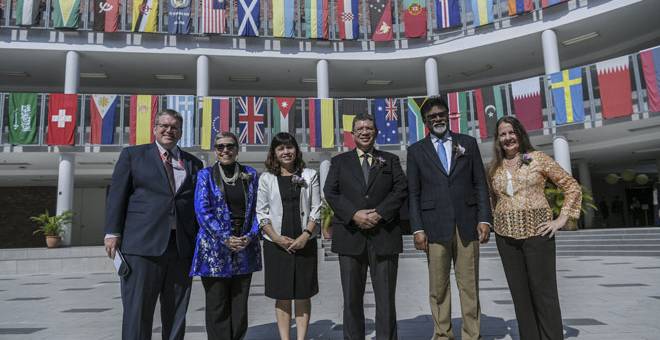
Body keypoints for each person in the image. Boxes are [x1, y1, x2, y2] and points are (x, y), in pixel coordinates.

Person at [104, 109, 203, 340]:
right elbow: (117, 195)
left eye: (174, 127)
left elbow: (197, 205)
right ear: (154, 128)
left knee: (177, 311)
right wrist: (112, 232)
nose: (169, 130)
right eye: (164, 125)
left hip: (180, 248)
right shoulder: (133, 155)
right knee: (137, 310)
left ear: (181, 131)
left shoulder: (193, 163)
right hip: (141, 247)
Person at [487, 116, 581, 340]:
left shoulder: (537, 159)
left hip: (538, 234)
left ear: (520, 134)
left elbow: (571, 186)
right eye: (503, 134)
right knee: (520, 296)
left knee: (544, 293)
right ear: (497, 139)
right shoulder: (494, 168)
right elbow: (493, 199)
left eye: (512, 132)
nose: (508, 138)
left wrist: (561, 220)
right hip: (505, 237)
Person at [406, 96, 492, 340]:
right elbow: (413, 193)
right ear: (425, 121)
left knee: (469, 285)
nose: (437, 119)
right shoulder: (415, 151)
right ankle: (443, 334)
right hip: (434, 227)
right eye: (432, 116)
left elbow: (480, 184)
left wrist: (484, 219)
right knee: (438, 286)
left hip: (467, 224)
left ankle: (471, 334)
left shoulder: (468, 143)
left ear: (448, 115)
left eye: (441, 114)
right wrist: (417, 229)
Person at [324, 114, 407, 340]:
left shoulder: (390, 160)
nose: (364, 132)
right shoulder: (339, 162)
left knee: (386, 299)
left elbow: (400, 189)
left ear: (376, 132)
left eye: (369, 128)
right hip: (350, 237)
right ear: (352, 134)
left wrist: (380, 213)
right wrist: (354, 214)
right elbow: (331, 192)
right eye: (359, 128)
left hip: (384, 236)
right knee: (351, 299)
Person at [190, 132, 261, 340]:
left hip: (244, 246)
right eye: (220, 147)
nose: (225, 150)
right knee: (217, 304)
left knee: (240, 305)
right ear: (215, 151)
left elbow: (259, 209)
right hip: (214, 249)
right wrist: (225, 237)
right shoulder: (205, 175)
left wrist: (250, 235)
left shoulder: (251, 174)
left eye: (230, 146)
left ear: (237, 150)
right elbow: (202, 211)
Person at [256, 132, 321, 340]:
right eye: (281, 148)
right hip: (276, 244)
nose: (286, 152)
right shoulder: (266, 178)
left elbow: (316, 209)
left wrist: (306, 234)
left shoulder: (310, 175)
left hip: (305, 241)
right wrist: (275, 237)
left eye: (289, 147)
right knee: (282, 294)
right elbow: (262, 213)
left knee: (303, 293)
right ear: (274, 153)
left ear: (296, 150)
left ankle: (301, 337)